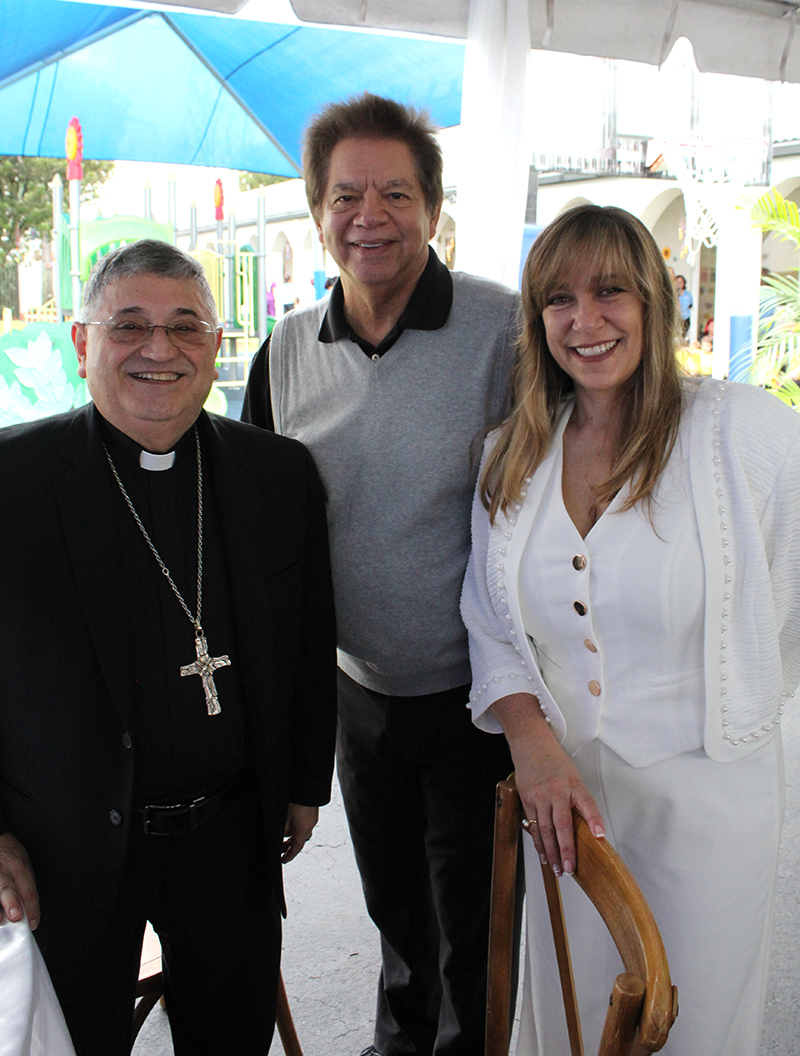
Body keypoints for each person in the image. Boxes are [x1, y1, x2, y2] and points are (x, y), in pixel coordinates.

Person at [461, 204, 800, 1055]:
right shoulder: (511, 453)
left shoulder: (742, 434)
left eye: (610, 291)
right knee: (573, 1018)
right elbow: (490, 623)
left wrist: (751, 692)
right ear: (536, 321)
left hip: (710, 809)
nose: (586, 320)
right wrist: (532, 745)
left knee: (692, 1027)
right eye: (559, 299)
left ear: (654, 300)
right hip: (566, 803)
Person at [0, 240, 337, 1056]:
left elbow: (306, 637)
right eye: (129, 326)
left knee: (230, 1034)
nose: (160, 348)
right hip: (65, 845)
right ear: (81, 343)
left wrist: (302, 782)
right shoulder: (12, 479)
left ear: (215, 346)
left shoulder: (278, 473)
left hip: (230, 834)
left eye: (185, 326)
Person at [242, 93, 519, 1056]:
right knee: (394, 901)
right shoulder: (286, 351)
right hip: (356, 688)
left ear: (432, 208)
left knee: (474, 915)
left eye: (396, 194)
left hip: (478, 685)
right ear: (317, 212)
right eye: (346, 195)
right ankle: (399, 1042)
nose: (371, 216)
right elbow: (261, 529)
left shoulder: (503, 330)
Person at [675, 273, 692, 338]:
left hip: (685, 318)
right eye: (677, 281)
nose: (679, 283)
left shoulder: (688, 295)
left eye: (681, 281)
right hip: (676, 318)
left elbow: (689, 305)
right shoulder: (673, 294)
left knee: (683, 335)